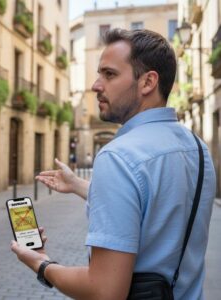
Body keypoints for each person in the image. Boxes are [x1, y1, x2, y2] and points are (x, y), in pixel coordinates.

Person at [11, 29, 216, 299]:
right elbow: (155, 201)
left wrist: (41, 264)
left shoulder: (118, 157)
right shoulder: (198, 148)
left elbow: (105, 291)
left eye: (109, 74)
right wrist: (79, 185)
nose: (96, 85)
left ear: (148, 82)